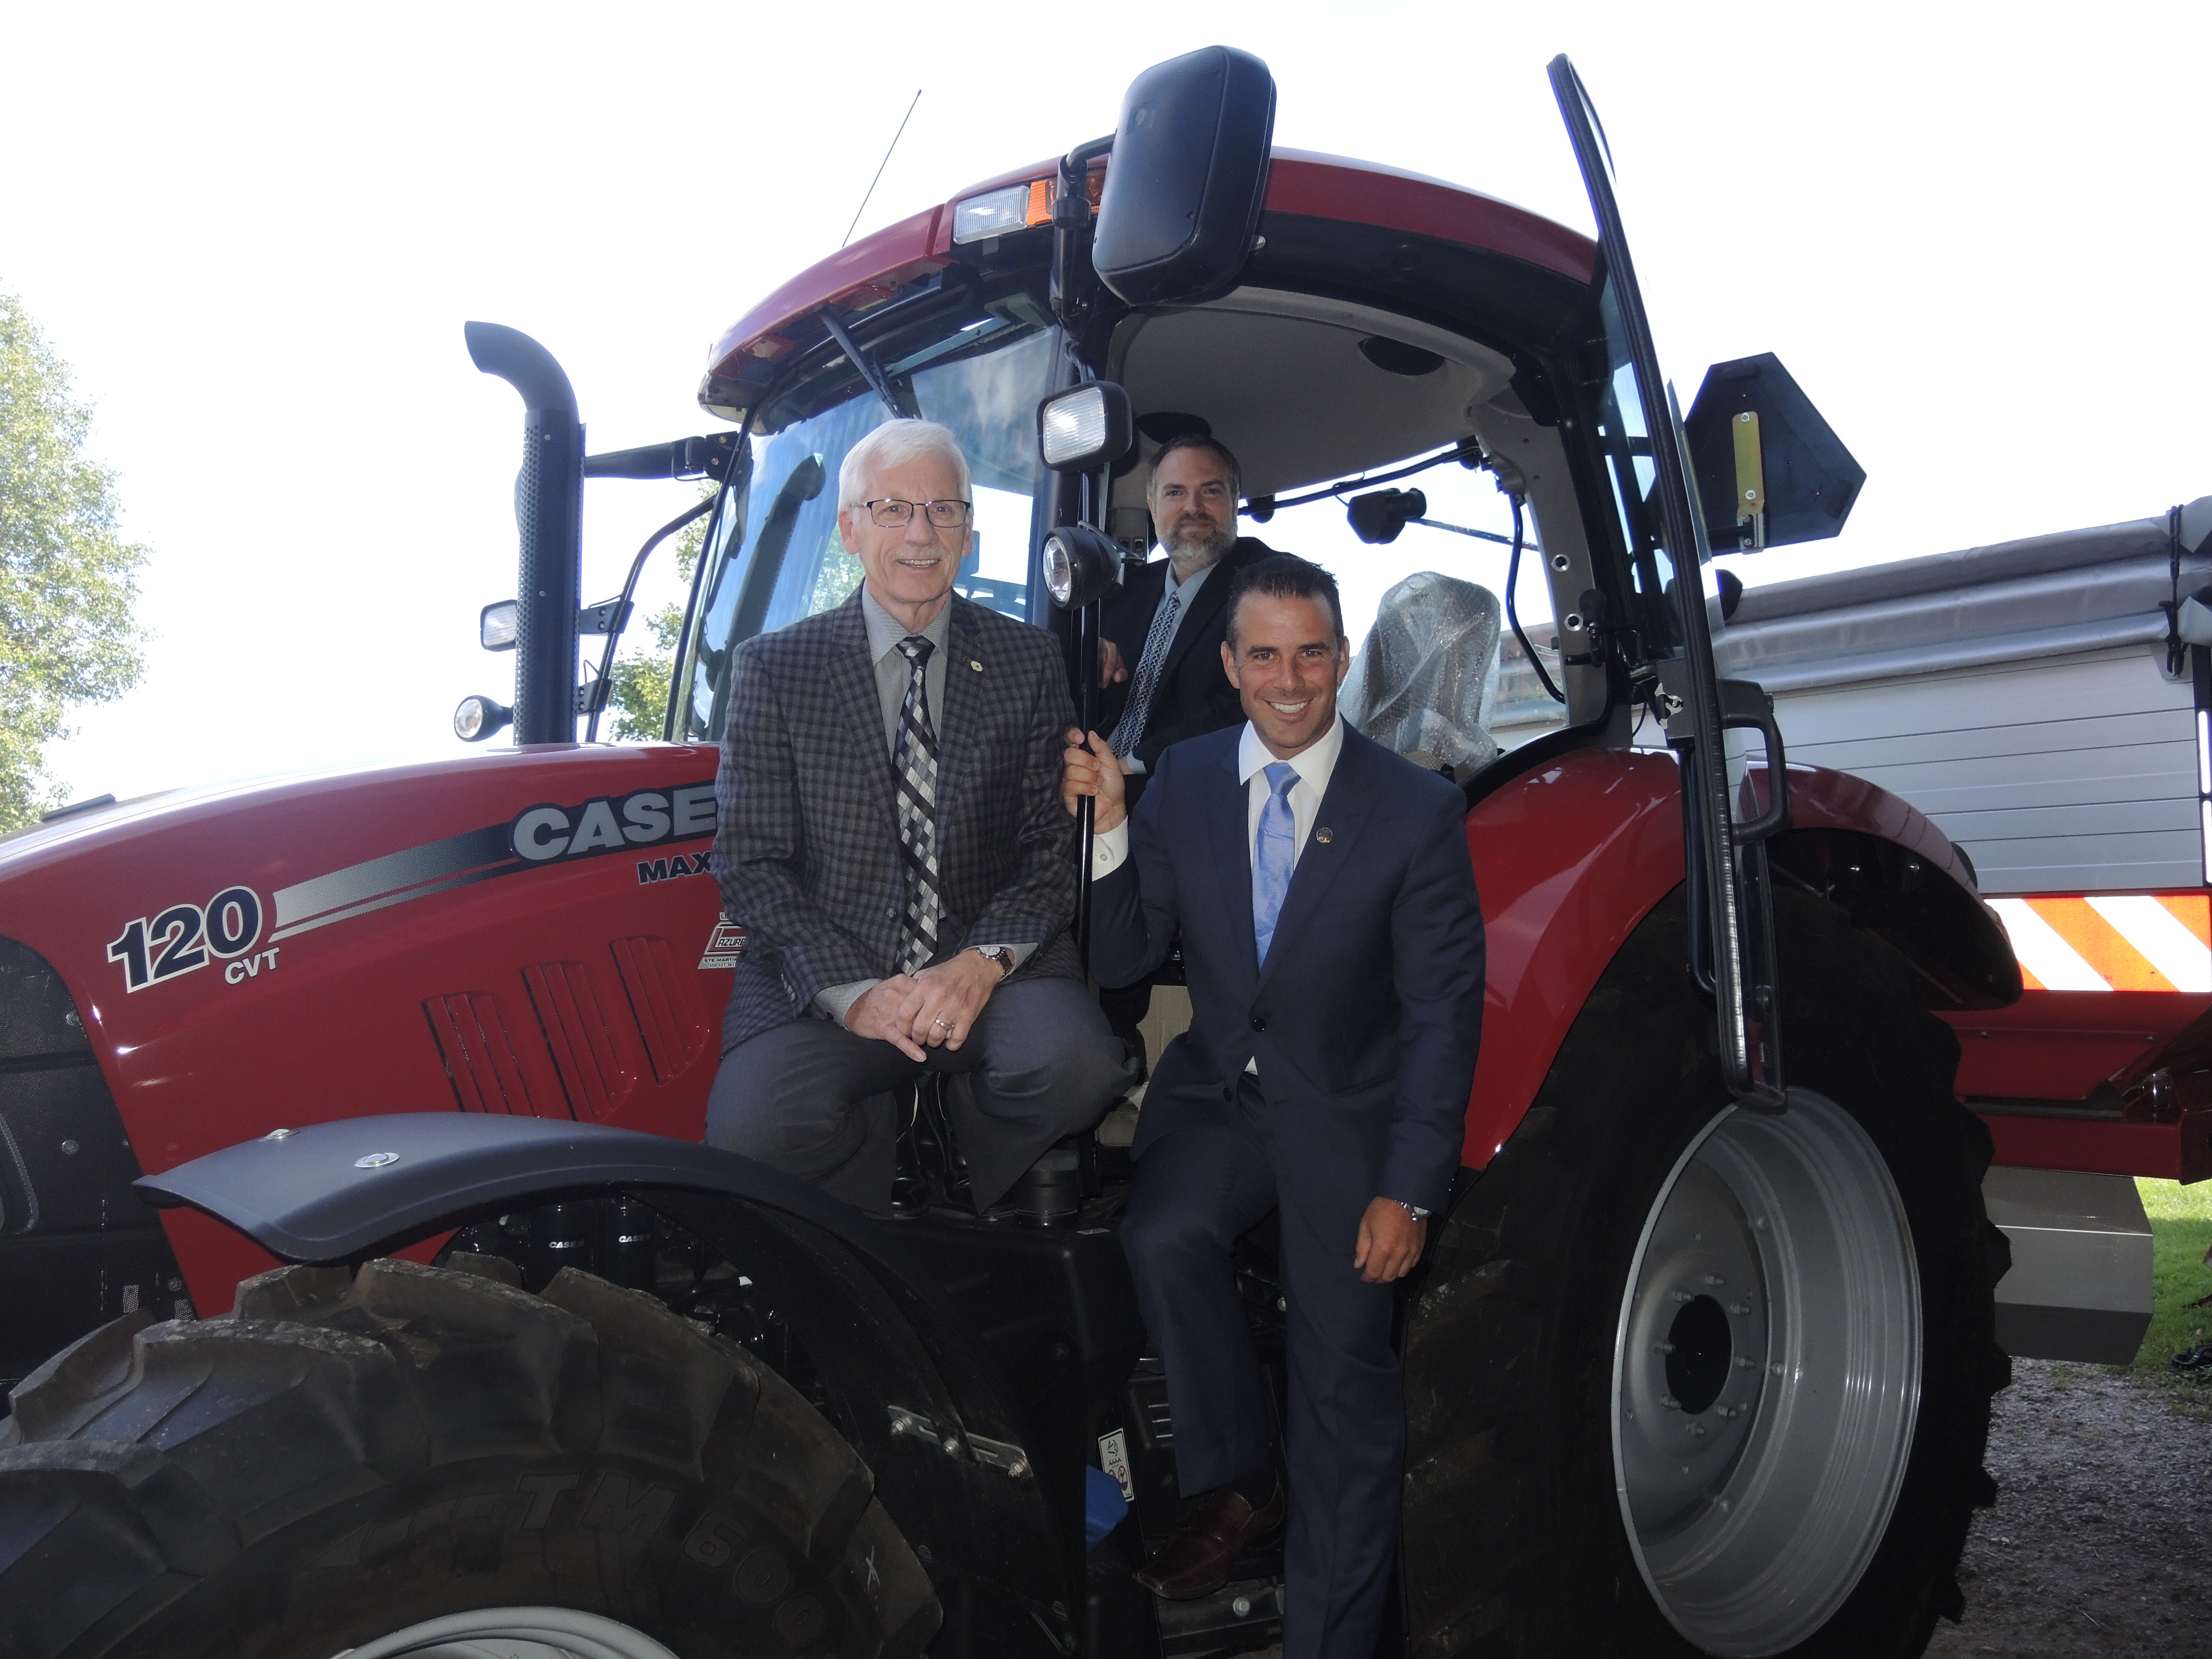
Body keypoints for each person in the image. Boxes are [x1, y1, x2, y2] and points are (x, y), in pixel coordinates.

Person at [1061, 554, 1485, 1658]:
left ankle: (1330, 1642)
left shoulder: (1416, 812)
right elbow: (1121, 954)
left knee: (1341, 1392)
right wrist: (1108, 822)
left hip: (1350, 1116)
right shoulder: (1189, 779)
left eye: (1309, 654)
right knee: (1159, 1234)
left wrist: (1409, 1188)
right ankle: (1241, 1481)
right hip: (1219, 1100)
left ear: (1340, 661)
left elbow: (1442, 1018)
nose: (1287, 680)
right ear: (1228, 664)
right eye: (1263, 655)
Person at [708, 418, 1125, 1215]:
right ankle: (863, 1221)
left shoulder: (1027, 661)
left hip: (991, 975)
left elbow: (1049, 847)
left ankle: (969, 1154)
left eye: (944, 510)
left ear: (969, 531)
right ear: (849, 527)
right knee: (752, 1130)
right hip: (838, 975)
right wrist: (856, 992)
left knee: (1079, 1068)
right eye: (894, 509)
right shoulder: (772, 669)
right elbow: (750, 865)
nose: (921, 533)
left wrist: (977, 967)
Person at [1093, 433, 1276, 1062]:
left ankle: (1108, 1042)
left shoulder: (1265, 586)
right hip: (1103, 775)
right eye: (1174, 492)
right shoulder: (1123, 595)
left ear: (1233, 502)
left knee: (1119, 849)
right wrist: (1090, 671)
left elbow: (1249, 702)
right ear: (1151, 504)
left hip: (1197, 788)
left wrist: (1135, 761)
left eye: (1210, 491)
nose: (1191, 506)